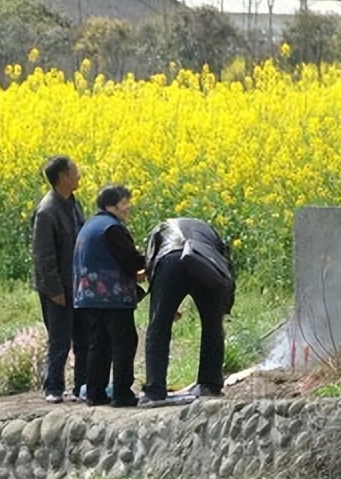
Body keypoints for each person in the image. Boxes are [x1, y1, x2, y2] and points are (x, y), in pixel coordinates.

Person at [140, 217, 235, 404]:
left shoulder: (160, 229)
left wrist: (164, 305)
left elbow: (151, 263)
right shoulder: (211, 234)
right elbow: (227, 269)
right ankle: (210, 384)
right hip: (204, 262)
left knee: (158, 328)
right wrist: (224, 307)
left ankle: (155, 390)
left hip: (170, 259)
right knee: (213, 326)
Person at [73, 184, 145, 408]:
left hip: (88, 296)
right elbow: (131, 260)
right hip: (111, 296)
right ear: (111, 205)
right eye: (125, 202)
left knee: (99, 343)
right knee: (124, 342)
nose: (128, 207)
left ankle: (95, 392)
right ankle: (122, 393)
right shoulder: (112, 229)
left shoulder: (90, 224)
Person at [31, 155, 88, 403]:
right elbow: (43, 255)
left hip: (77, 284)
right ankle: (53, 387)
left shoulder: (73, 203)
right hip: (58, 287)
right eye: (75, 171)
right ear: (63, 177)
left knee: (84, 336)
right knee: (60, 338)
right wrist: (54, 289)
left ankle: (83, 386)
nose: (79, 175)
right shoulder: (47, 211)